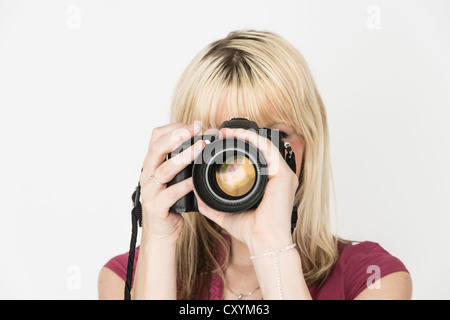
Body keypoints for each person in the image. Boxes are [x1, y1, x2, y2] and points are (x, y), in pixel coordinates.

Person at [98, 30, 412, 300]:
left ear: (309, 140)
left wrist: (270, 243)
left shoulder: (373, 277)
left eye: (271, 138)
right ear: (185, 150)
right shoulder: (124, 278)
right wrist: (159, 239)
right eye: (222, 143)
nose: (244, 162)